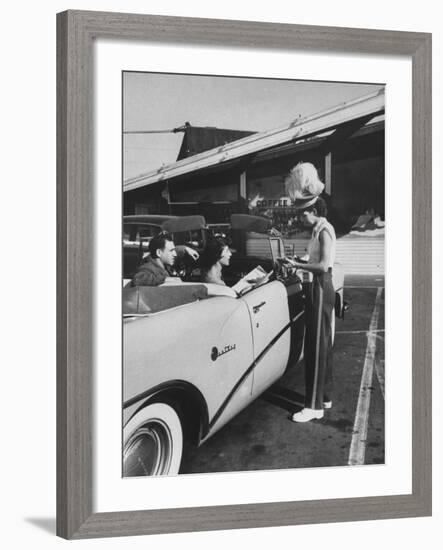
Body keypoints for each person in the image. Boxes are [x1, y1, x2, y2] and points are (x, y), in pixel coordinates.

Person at [289, 194, 337, 423]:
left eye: (303, 212)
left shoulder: (325, 230)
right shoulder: (319, 230)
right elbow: (315, 257)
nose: (301, 217)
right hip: (320, 285)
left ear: (315, 211)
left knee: (315, 345)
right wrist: (301, 258)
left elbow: (323, 265)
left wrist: (298, 265)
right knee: (322, 343)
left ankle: (313, 407)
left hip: (320, 285)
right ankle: (324, 397)